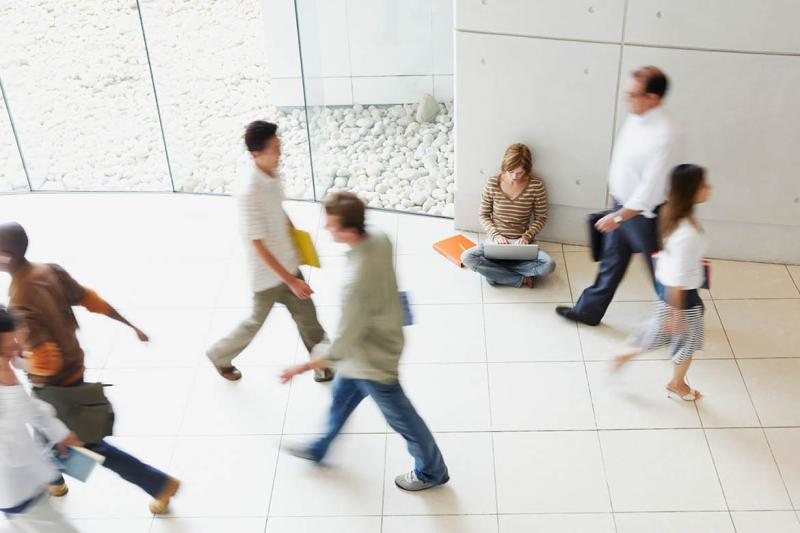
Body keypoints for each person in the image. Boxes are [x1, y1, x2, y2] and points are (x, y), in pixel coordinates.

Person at [0, 222, 180, 515]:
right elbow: (89, 299)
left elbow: (47, 361)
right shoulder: (48, 270)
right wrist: (128, 324)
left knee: (85, 446)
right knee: (44, 433)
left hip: (55, 388)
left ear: (5, 256)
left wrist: (15, 360)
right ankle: (55, 483)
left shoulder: (19, 298)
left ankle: (158, 484)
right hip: (75, 369)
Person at [279, 192, 449, 492]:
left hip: (373, 362)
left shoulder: (355, 281)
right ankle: (319, 448)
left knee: (403, 420)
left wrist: (302, 366)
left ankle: (432, 472)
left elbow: (343, 341)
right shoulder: (381, 239)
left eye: (331, 226)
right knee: (340, 401)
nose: (328, 230)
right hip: (369, 349)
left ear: (348, 230)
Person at [206, 120, 332, 382]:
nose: (280, 154)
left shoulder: (271, 175)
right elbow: (258, 245)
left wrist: (294, 235)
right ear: (256, 154)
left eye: (279, 146)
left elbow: (277, 208)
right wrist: (291, 281)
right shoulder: (248, 192)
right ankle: (220, 355)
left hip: (287, 263)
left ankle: (322, 365)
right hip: (268, 276)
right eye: (275, 149)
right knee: (255, 322)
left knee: (308, 318)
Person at [557, 66, 681, 325]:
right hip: (621, 207)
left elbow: (652, 186)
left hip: (644, 216)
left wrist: (620, 216)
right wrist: (616, 206)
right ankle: (588, 311)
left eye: (633, 95)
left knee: (662, 272)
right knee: (611, 263)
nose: (627, 100)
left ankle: (685, 316)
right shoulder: (637, 115)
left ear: (653, 98)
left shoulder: (665, 133)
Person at [614, 165, 710, 400]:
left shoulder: (676, 216)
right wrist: (676, 312)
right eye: (704, 184)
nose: (709, 188)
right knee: (688, 343)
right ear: (693, 191)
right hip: (683, 297)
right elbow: (677, 279)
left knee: (661, 332)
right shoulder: (687, 233)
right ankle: (677, 384)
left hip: (673, 292)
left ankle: (627, 355)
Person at [0, 306, 82, 532]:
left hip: (27, 485)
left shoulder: (5, 371)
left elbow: (30, 407)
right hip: (17, 490)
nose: (16, 348)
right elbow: (9, 448)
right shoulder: (4, 376)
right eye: (6, 349)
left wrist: (59, 432)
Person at [461, 143, 555, 288]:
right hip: (495, 242)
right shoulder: (493, 183)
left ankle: (499, 274)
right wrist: (496, 235)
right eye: (511, 172)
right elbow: (483, 214)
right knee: (467, 257)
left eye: (520, 173)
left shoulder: (536, 186)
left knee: (549, 265)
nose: (514, 177)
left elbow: (541, 217)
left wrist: (526, 237)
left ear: (527, 169)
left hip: (521, 244)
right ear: (505, 166)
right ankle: (521, 278)